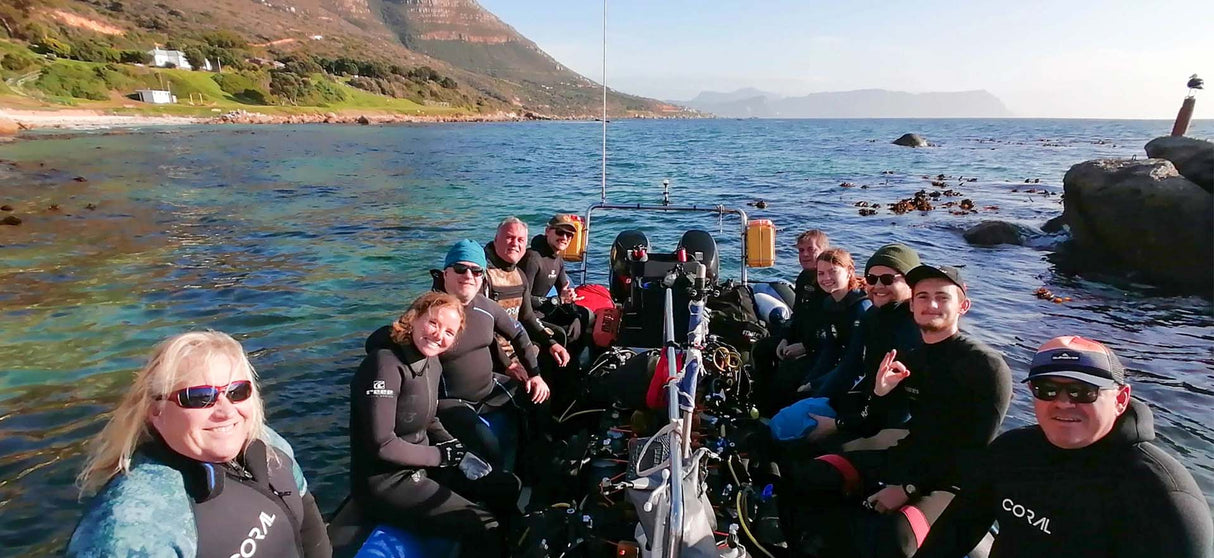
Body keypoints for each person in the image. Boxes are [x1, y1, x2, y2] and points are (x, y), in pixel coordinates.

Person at [778, 264, 1013, 558]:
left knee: (896, 539)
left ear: (963, 306)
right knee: (807, 477)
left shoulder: (986, 367)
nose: (931, 305)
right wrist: (880, 392)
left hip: (955, 480)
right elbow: (876, 420)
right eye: (923, 297)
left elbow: (974, 454)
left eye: (942, 297)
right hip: (908, 454)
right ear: (912, 305)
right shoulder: (910, 358)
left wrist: (909, 488)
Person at [915, 336, 1214, 558]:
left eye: (1083, 391)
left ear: (1121, 399)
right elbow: (954, 533)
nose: (1062, 402)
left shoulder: (1164, 498)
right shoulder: (1011, 452)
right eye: (1046, 389)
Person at [68, 331, 330, 557]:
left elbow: (310, 525)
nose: (226, 412)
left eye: (237, 392)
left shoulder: (269, 445)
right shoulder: (136, 524)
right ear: (155, 411)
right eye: (199, 397)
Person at [352, 292, 521, 558]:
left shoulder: (431, 362)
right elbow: (381, 445)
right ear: (414, 318)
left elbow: (428, 418)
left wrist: (456, 449)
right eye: (433, 323)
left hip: (424, 463)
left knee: (505, 485)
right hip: (387, 480)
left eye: (449, 332)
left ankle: (518, 544)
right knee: (483, 526)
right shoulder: (383, 364)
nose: (438, 335)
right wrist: (440, 456)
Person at [365, 240, 550, 468]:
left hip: (489, 387)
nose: (468, 276)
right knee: (488, 444)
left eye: (476, 271)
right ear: (445, 273)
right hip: (450, 400)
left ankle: (535, 466)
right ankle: (495, 486)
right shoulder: (429, 309)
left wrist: (535, 374)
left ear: (482, 277)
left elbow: (519, 334)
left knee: (540, 400)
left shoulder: (487, 307)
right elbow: (382, 339)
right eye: (460, 269)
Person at [804, 243, 923, 442]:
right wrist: (816, 397)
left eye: (887, 279)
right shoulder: (872, 316)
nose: (877, 286)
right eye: (871, 278)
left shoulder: (916, 328)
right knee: (798, 415)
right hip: (868, 405)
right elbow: (850, 365)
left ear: (910, 283)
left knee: (812, 452)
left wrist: (841, 424)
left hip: (896, 425)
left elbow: (900, 408)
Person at [754, 229, 830, 415]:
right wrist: (785, 339)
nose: (804, 255)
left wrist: (805, 347)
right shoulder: (804, 278)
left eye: (810, 250)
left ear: (823, 251)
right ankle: (759, 403)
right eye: (800, 250)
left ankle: (776, 414)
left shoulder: (829, 282)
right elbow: (797, 315)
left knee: (788, 373)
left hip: (818, 347)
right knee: (761, 349)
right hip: (799, 337)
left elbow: (832, 328)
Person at [483, 216, 571, 374]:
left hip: (512, 344)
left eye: (520, 240)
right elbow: (482, 331)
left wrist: (551, 343)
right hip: (488, 355)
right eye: (509, 237)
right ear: (496, 240)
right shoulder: (482, 276)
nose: (515, 243)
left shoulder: (519, 276)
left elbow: (527, 317)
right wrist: (509, 365)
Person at [795, 248, 871, 397]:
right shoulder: (829, 303)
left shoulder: (862, 307)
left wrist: (817, 385)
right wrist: (809, 382)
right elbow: (830, 350)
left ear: (849, 271)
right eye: (821, 273)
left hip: (859, 376)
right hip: (841, 366)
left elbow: (857, 362)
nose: (826, 278)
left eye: (833, 272)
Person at [520, 214, 593, 363]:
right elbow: (523, 299)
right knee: (560, 333)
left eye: (569, 235)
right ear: (548, 231)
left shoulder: (557, 259)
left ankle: (574, 368)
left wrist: (569, 299)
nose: (564, 237)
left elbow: (563, 290)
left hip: (545, 310)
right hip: (530, 315)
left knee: (584, 316)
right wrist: (557, 300)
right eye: (560, 232)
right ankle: (558, 376)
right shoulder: (533, 258)